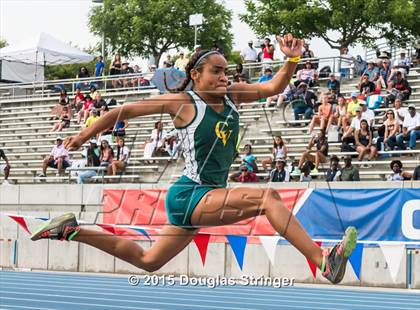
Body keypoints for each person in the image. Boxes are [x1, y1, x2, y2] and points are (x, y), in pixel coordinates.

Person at [32, 35, 357, 285]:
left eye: (226, 71)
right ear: (196, 74)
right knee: (268, 198)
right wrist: (82, 136)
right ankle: (323, 261)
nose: (223, 77)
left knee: (148, 261)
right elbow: (123, 111)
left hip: (205, 195)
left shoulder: (233, 96)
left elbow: (274, 86)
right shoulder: (184, 103)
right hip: (191, 193)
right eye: (215, 71)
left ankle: (71, 231)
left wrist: (293, 59)